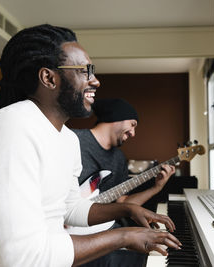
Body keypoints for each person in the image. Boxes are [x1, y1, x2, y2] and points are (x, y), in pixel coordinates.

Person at [0, 24, 181, 267]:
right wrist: (122, 236)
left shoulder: (67, 138)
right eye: (85, 71)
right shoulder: (11, 130)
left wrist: (126, 210)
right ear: (49, 78)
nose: (95, 81)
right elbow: (22, 260)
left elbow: (71, 208)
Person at [71, 98, 176, 266]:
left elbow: (123, 203)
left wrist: (156, 187)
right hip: (70, 233)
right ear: (117, 117)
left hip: (103, 230)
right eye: (133, 124)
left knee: (147, 254)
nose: (133, 133)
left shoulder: (119, 159)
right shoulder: (72, 140)